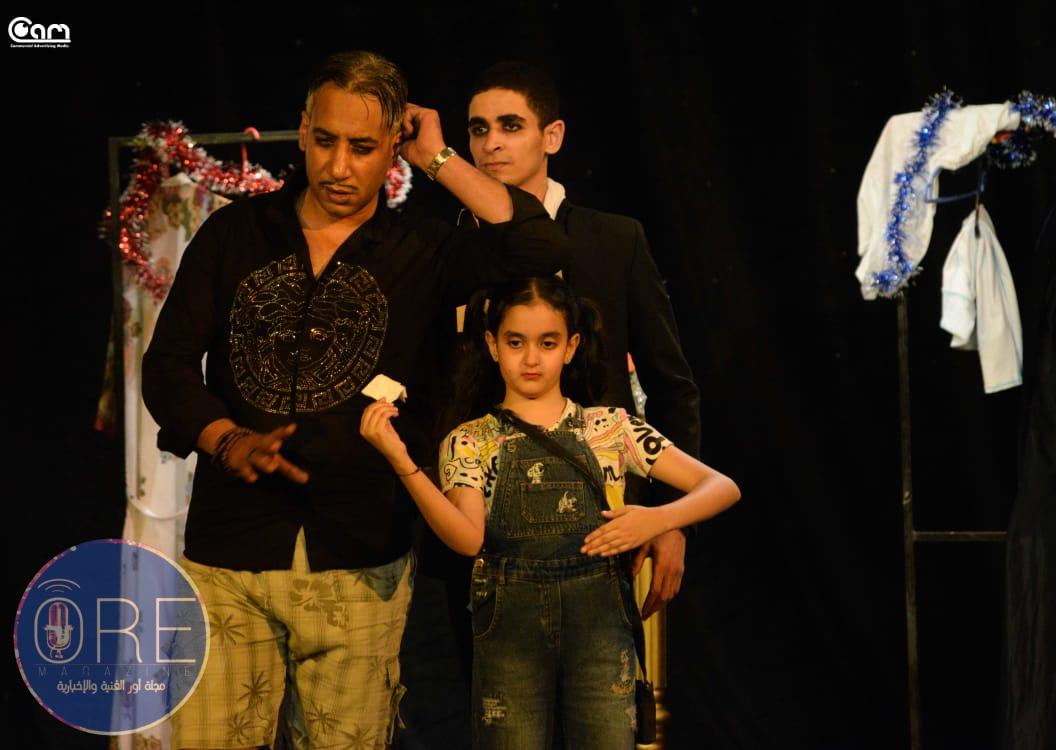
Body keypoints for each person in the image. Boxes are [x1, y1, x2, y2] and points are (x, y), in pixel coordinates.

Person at [142, 50, 569, 750]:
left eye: (364, 147)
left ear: (394, 145)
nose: (339, 167)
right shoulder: (235, 234)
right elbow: (167, 367)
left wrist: (437, 158)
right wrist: (225, 438)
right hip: (229, 554)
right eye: (325, 141)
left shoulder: (423, 249)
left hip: (360, 558)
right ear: (303, 129)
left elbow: (536, 243)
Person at [360, 275, 739, 748]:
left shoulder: (610, 428)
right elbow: (467, 539)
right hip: (510, 635)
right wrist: (401, 462)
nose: (531, 358)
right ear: (492, 345)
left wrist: (657, 519)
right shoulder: (471, 440)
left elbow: (722, 487)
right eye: (515, 342)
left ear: (571, 346)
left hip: (600, 634)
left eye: (548, 342)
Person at [464, 62, 700, 615]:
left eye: (510, 126)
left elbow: (670, 384)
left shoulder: (613, 240)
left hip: (606, 519)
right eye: (478, 129)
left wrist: (672, 518)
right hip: (480, 525)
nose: (492, 143)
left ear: (552, 136)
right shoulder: (447, 245)